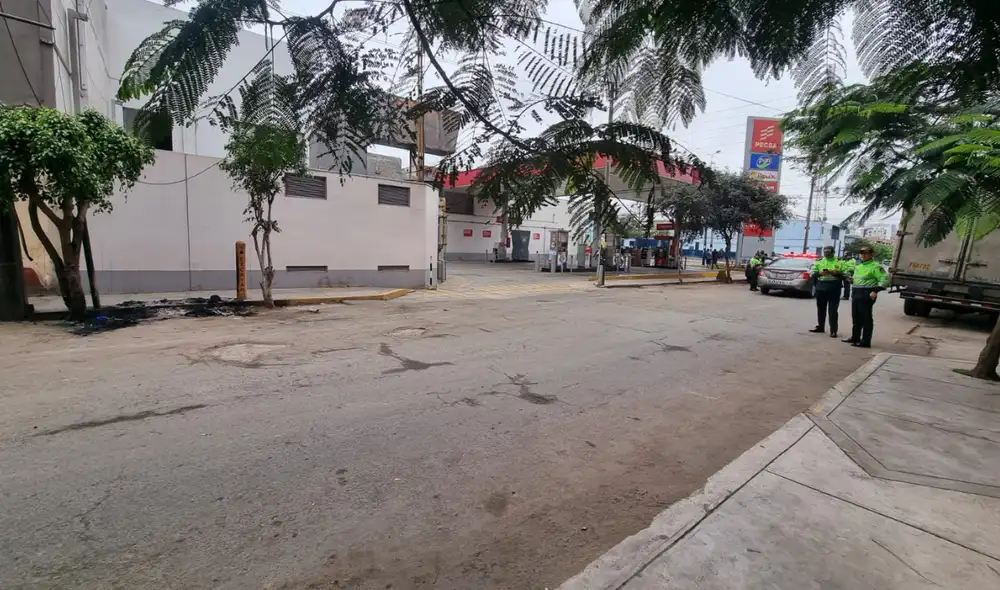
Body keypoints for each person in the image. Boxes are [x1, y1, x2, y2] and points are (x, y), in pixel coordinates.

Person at [843, 245, 890, 348]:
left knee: (866, 318)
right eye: (862, 253)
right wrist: (851, 280)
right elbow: (858, 279)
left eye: (866, 253)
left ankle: (865, 341)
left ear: (872, 255)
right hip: (856, 292)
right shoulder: (859, 266)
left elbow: (885, 280)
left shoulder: (876, 266)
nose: (863, 255)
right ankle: (855, 337)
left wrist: (876, 291)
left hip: (867, 293)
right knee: (856, 317)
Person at [809, 246, 846, 337]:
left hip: (834, 287)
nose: (826, 254)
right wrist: (820, 273)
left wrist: (836, 273)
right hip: (821, 287)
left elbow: (846, 274)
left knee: (833, 310)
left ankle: (833, 330)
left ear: (833, 252)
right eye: (825, 252)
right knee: (821, 309)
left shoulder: (840, 262)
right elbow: (812, 273)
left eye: (829, 252)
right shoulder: (819, 261)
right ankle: (820, 327)